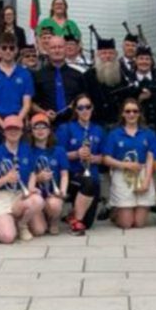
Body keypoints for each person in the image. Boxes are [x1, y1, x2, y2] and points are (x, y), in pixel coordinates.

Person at [0, 115, 45, 242]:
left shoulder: (26, 149)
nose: (13, 132)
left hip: (20, 195)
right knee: (7, 237)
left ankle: (21, 224)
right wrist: (5, 179)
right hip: (0, 197)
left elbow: (33, 172)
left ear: (22, 131)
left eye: (16, 129)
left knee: (39, 229)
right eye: (9, 129)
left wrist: (31, 187)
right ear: (3, 132)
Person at [57, 93, 105, 235]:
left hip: (93, 177)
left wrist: (93, 158)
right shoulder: (65, 128)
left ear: (92, 108)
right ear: (75, 110)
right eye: (80, 108)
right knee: (88, 183)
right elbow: (59, 155)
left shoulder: (98, 129)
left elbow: (103, 157)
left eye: (88, 107)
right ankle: (76, 221)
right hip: (73, 176)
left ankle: (72, 215)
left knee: (88, 224)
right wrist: (76, 154)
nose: (85, 110)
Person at [104, 98, 156, 228]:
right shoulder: (114, 134)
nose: (131, 114)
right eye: (127, 111)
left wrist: (147, 181)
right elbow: (106, 159)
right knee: (126, 224)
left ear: (139, 113)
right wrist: (126, 165)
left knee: (139, 224)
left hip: (142, 173)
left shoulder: (148, 133)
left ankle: (130, 209)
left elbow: (150, 158)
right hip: (122, 174)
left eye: (135, 111)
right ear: (122, 114)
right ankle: (116, 213)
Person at [0, 35, 35, 141]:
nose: (8, 51)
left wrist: (16, 122)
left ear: (16, 50)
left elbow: (27, 104)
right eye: (4, 48)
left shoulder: (25, 74)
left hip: (18, 122)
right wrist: (3, 124)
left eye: (11, 48)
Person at [27, 113, 69, 236]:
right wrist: (38, 178)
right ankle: (41, 217)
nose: (40, 131)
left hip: (52, 193)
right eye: (36, 127)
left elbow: (64, 175)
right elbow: (25, 177)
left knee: (55, 205)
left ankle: (54, 221)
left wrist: (62, 191)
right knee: (39, 231)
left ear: (49, 130)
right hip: (36, 194)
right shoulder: (27, 150)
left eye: (43, 127)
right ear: (32, 131)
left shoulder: (59, 150)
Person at [33, 35, 91, 125]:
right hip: (47, 126)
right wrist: (43, 113)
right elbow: (31, 103)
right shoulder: (38, 76)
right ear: (47, 51)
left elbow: (86, 99)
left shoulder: (78, 75)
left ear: (65, 49)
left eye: (60, 47)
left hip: (74, 124)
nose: (57, 50)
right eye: (53, 48)